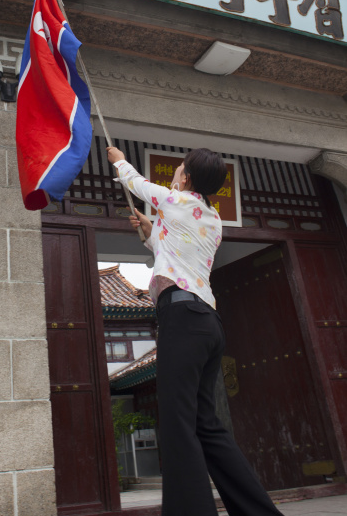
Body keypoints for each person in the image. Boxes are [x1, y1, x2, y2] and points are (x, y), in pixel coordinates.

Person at [106, 146, 284, 516]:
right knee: (206, 424)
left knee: (178, 422)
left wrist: (119, 160)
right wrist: (149, 230)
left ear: (185, 178)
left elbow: (136, 183)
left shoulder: (175, 199)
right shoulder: (213, 219)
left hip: (183, 318)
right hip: (207, 321)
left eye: (179, 170)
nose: (174, 175)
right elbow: (174, 251)